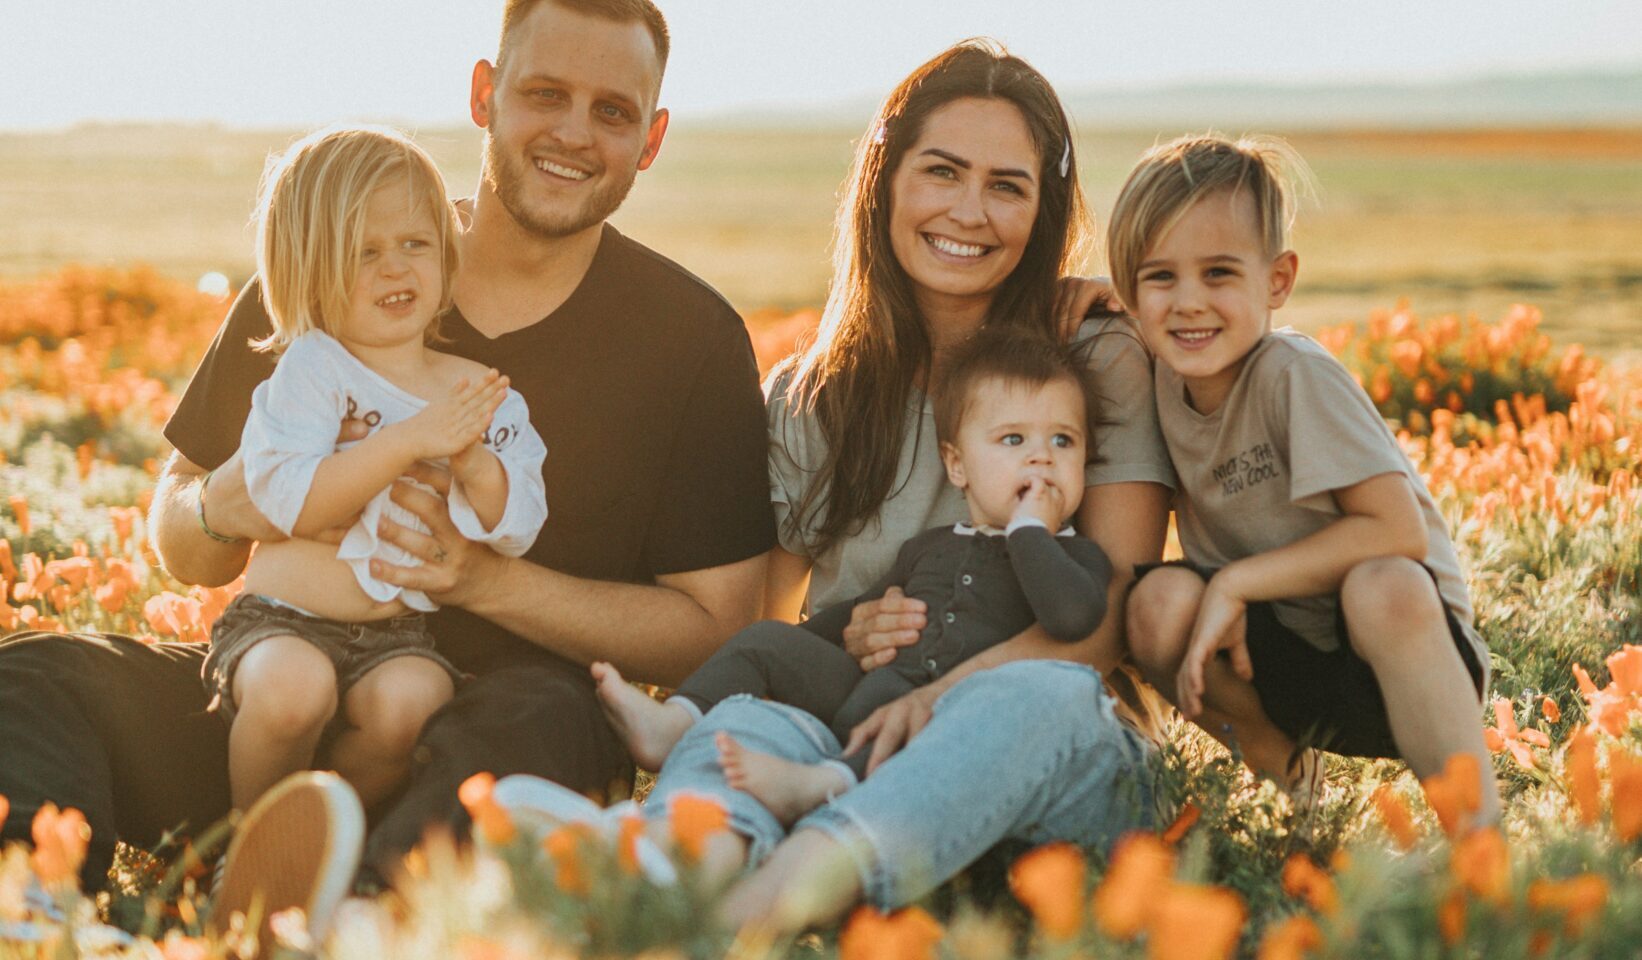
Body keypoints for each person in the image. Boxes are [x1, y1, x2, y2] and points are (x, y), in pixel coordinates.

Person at [0, 0, 773, 937]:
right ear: (486, 95)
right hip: (276, 702)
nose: (574, 132)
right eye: (544, 94)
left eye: (612, 111)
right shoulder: (338, 255)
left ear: (649, 140)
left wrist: (483, 580)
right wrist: (226, 505)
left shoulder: (689, 340)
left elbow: (715, 630)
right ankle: (40, 919)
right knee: (37, 679)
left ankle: (342, 918)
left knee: (544, 719)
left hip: (483, 738)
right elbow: (180, 536)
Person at [497, 40, 1175, 931]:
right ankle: (669, 865)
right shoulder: (812, 397)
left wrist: (938, 696)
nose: (969, 211)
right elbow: (761, 627)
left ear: (1042, 210)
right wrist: (846, 634)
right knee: (754, 717)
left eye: (1007, 186)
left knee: (1030, 698)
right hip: (855, 740)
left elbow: (1107, 626)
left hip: (1053, 758)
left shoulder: (1092, 359)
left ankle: (747, 916)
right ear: (885, 180)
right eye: (941, 172)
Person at [1110, 134, 1498, 824]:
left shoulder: (1294, 375)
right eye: (1160, 277)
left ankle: (1478, 839)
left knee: (1384, 583)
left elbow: (1396, 530)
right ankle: (1296, 795)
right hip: (1279, 663)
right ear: (1129, 292)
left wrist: (1236, 581)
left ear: (1278, 281)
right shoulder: (1159, 382)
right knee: (1154, 603)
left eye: (1220, 273)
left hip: (1399, 659)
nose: (1188, 302)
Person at [593, 329, 1111, 819]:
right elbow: (854, 613)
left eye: (1064, 442)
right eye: (1014, 439)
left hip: (953, 720)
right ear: (958, 466)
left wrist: (1029, 532)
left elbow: (1071, 616)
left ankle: (824, 784)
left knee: (903, 719)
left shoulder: (1077, 559)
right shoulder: (930, 546)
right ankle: (674, 723)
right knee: (767, 641)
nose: (1042, 458)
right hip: (868, 689)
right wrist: (806, 646)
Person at [205, 126, 547, 814]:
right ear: (309, 270)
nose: (395, 269)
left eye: (414, 245)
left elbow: (519, 525)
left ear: (446, 255)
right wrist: (408, 440)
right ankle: (245, 842)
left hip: (397, 635)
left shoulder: (476, 387)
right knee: (292, 691)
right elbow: (290, 503)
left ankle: (324, 839)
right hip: (281, 620)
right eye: (364, 253)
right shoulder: (313, 368)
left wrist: (473, 463)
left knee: (415, 703)